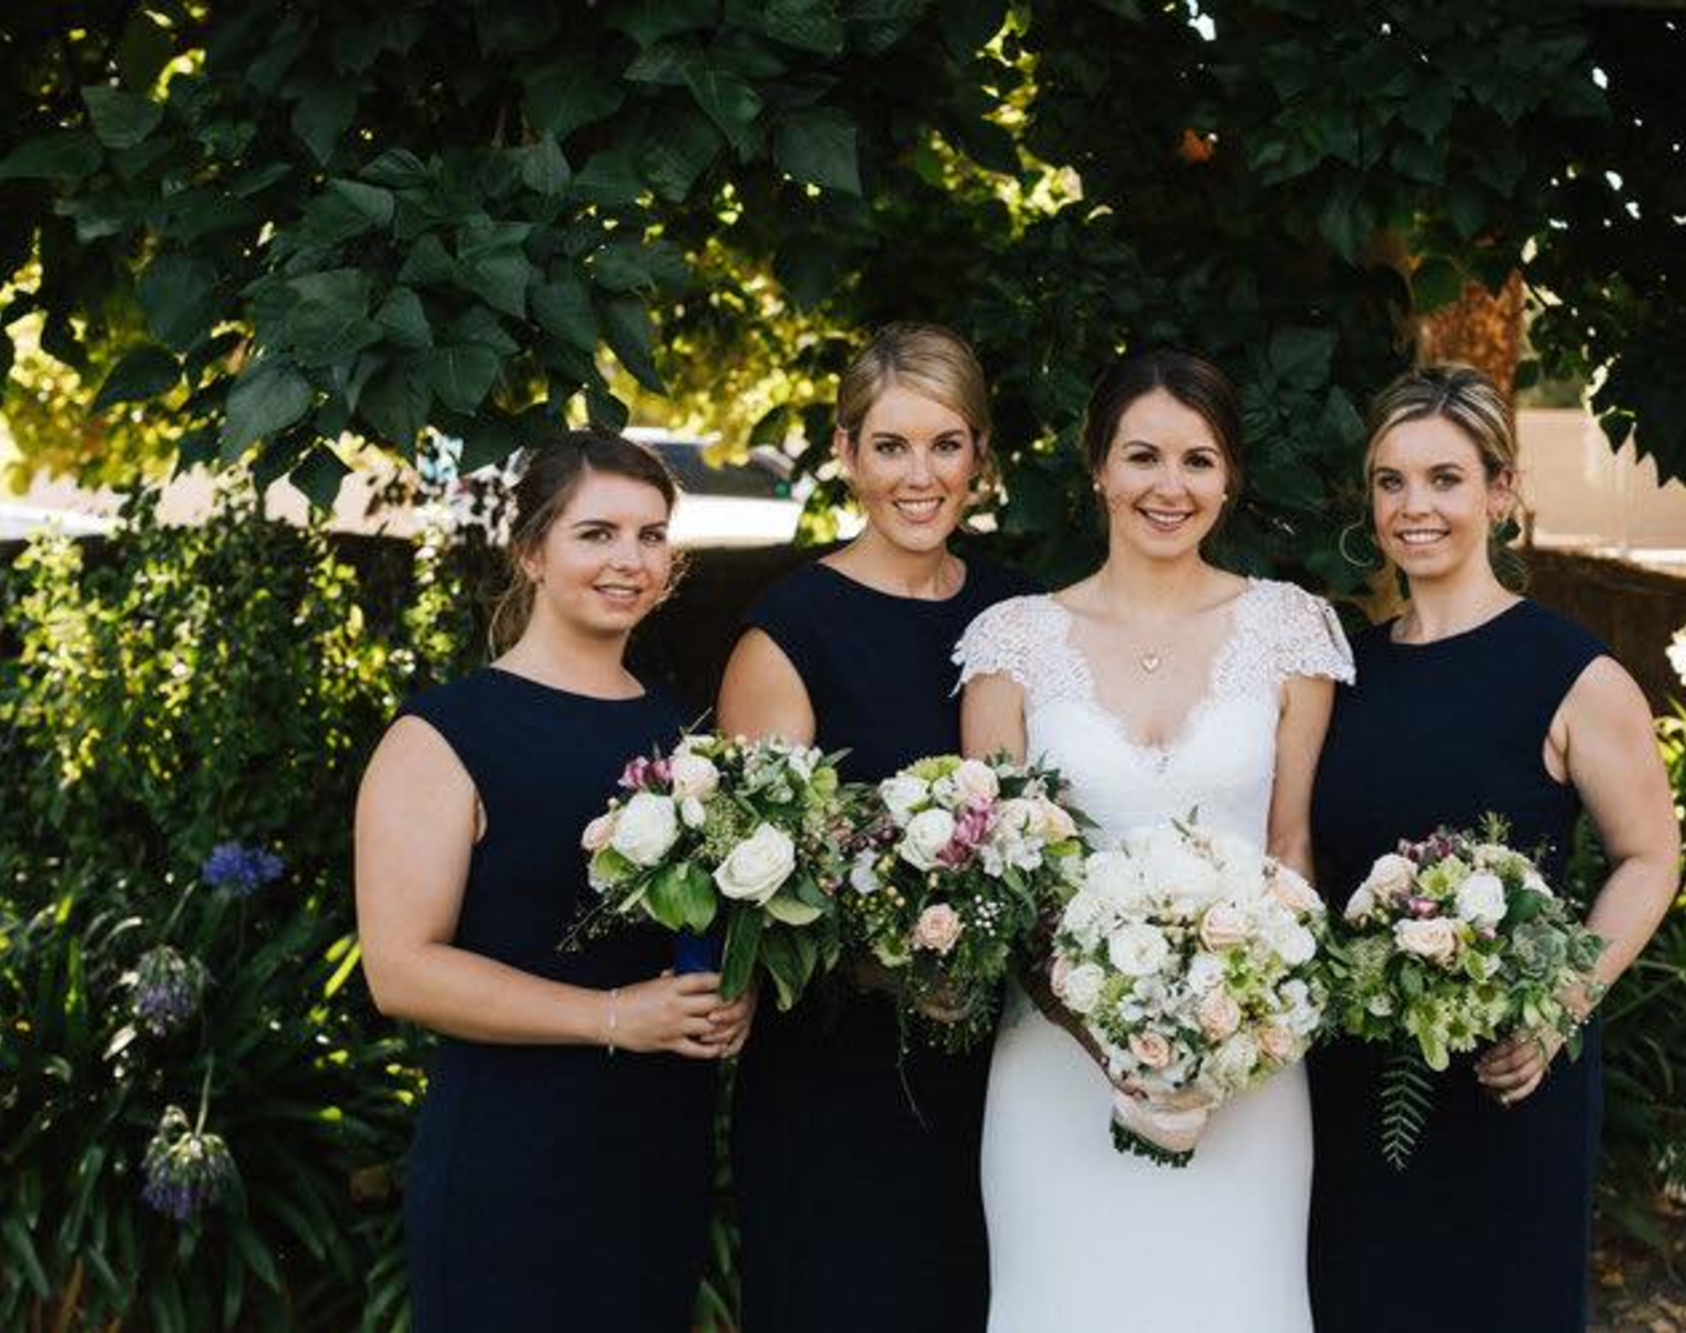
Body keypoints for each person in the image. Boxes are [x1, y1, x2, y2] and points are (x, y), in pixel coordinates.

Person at [959, 347, 1351, 1332]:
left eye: (1197, 460)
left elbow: (1290, 851)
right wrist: (1111, 1045)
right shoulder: (1011, 642)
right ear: (1097, 466)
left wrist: (1239, 1031)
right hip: (1057, 1064)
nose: (1168, 487)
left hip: (1243, 1065)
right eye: (1142, 456)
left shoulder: (1289, 629)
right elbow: (999, 879)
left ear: (1229, 478)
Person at [1305, 364, 1680, 1332]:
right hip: (1355, 1082)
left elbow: (1649, 856)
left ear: (1499, 491)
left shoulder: (1571, 672)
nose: (1413, 506)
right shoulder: (1341, 672)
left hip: (1509, 1074)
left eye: (1444, 478)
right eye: (1390, 481)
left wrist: (1561, 1006)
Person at [354, 431, 752, 1332]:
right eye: (597, 533)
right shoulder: (442, 736)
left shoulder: (684, 736)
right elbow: (401, 970)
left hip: (656, 1163)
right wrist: (613, 1015)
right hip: (511, 1168)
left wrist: (734, 993)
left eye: (651, 535)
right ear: (532, 550)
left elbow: (693, 934)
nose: (630, 560)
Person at [718, 323, 1037, 1332]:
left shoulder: (1018, 614)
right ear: (846, 453)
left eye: (945, 445)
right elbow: (759, 892)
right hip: (837, 1082)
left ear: (980, 456)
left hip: (1007, 1075)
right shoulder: (789, 633)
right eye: (890, 446)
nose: (919, 476)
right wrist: (901, 964)